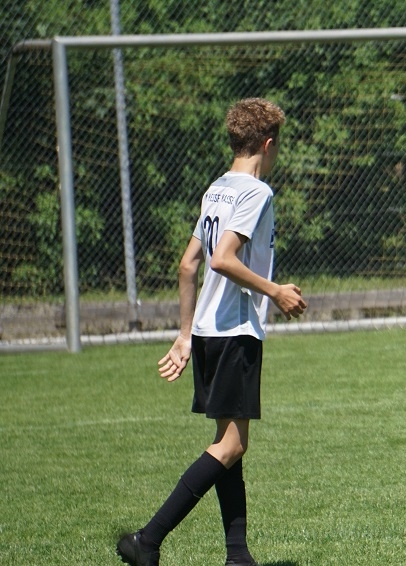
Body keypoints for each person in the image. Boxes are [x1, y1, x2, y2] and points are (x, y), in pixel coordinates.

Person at [116, 98, 308, 566]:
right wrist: (275, 292)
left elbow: (188, 266)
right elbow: (222, 259)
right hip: (234, 331)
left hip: (206, 332)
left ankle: (238, 555)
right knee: (232, 445)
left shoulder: (216, 189)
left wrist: (185, 335)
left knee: (230, 443)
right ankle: (148, 540)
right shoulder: (257, 193)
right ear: (268, 144)